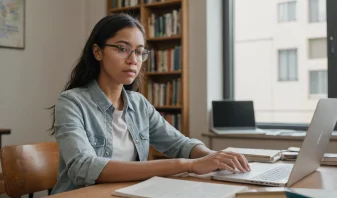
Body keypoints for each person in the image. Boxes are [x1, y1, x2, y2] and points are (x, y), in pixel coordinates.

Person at [49, 13, 250, 194]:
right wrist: (187, 165)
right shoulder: (72, 102)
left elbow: (179, 144)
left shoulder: (139, 104)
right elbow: (84, 166)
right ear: (97, 52)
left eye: (139, 52)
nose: (133, 60)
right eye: (122, 49)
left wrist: (214, 157)